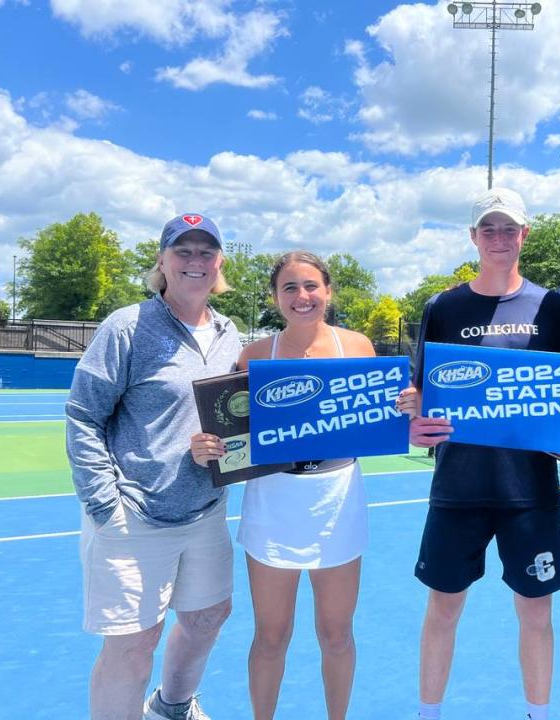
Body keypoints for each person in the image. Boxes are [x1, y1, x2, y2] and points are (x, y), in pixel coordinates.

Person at [400, 188, 560, 720]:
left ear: (524, 235)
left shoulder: (554, 307)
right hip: (457, 489)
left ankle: (537, 714)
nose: (499, 238)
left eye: (509, 228)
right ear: (474, 238)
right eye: (488, 229)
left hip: (531, 492)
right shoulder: (443, 307)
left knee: (536, 612)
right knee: (443, 609)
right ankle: (428, 714)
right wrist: (412, 417)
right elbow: (419, 393)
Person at [66, 213, 241, 720]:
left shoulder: (231, 335)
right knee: (133, 645)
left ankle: (171, 706)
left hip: (206, 511)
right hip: (135, 513)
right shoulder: (127, 325)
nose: (195, 261)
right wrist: (104, 503)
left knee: (209, 615)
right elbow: (83, 414)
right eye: (182, 251)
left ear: (219, 263)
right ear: (162, 262)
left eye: (205, 252)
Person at [190, 251, 375, 720]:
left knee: (336, 634)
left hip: (337, 500)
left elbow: (379, 416)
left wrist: (407, 403)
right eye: (289, 288)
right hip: (273, 503)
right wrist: (208, 447)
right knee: (271, 636)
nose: (302, 296)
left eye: (311, 285)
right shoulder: (254, 356)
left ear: (328, 292)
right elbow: (231, 435)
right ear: (275, 297)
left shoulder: (357, 347)